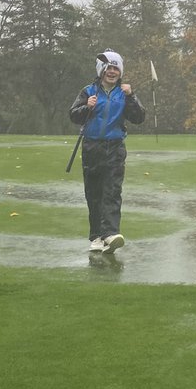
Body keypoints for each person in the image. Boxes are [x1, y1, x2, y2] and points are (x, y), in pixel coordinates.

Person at [69, 50, 146, 253]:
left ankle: (110, 234)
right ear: (101, 70)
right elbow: (74, 115)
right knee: (94, 193)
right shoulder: (88, 91)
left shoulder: (124, 93)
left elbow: (139, 117)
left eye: (115, 68)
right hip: (92, 147)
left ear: (120, 72)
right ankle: (96, 236)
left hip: (115, 148)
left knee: (112, 191)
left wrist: (131, 97)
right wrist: (87, 107)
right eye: (108, 68)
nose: (112, 72)